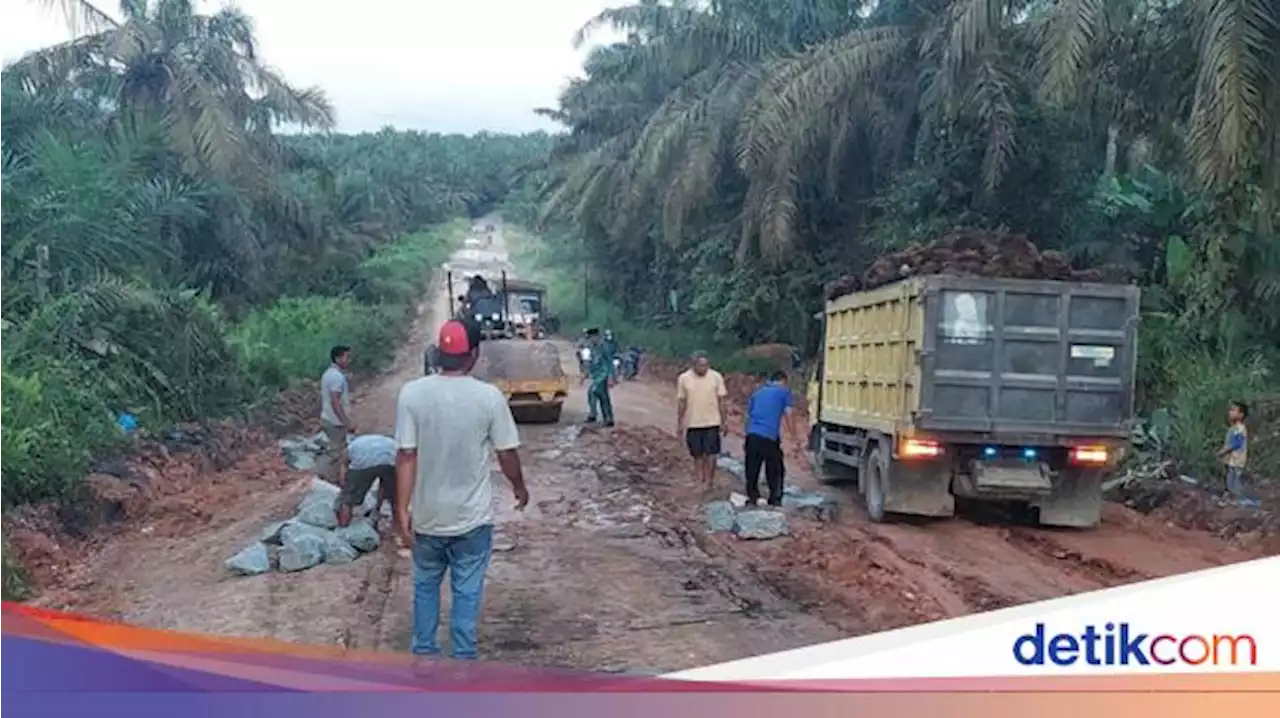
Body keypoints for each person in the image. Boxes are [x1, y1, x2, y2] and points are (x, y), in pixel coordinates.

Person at [394, 319, 529, 665]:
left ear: (438, 354)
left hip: (428, 518)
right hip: (472, 520)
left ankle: (424, 656)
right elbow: (506, 453)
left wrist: (402, 509)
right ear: (473, 355)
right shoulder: (488, 397)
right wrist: (519, 486)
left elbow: (406, 455)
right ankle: (463, 662)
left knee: (425, 587)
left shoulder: (412, 394)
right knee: (466, 592)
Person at [743, 371, 799, 506]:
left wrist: (747, 434)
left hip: (752, 435)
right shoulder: (783, 391)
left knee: (752, 469)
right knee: (775, 469)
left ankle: (752, 497)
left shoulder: (757, 392)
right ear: (783, 381)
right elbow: (789, 414)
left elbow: (748, 416)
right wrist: (793, 437)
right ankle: (775, 498)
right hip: (769, 436)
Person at [676, 351, 728, 492]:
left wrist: (724, 421)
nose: (703, 368)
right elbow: (681, 402)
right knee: (697, 454)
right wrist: (680, 424)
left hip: (712, 422)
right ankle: (699, 479)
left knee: (711, 453)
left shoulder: (716, 377)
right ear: (693, 365)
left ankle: (709, 481)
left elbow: (722, 401)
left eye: (705, 365)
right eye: (700, 366)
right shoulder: (684, 379)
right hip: (693, 422)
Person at [336, 433, 397, 530]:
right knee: (394, 497)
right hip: (389, 460)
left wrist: (344, 484)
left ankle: (343, 529)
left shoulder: (352, 446)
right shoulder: (390, 441)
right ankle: (395, 528)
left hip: (363, 462)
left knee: (348, 500)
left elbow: (343, 465)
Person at [318, 345, 355, 487]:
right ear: (338, 358)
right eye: (346, 357)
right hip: (335, 422)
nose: (348, 360)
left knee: (339, 450)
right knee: (337, 453)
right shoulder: (336, 377)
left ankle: (335, 480)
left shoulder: (329, 374)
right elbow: (336, 402)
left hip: (329, 418)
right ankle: (328, 480)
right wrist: (347, 422)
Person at [1218, 400, 1252, 502]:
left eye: (1233, 410)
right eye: (1230, 410)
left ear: (1241, 415)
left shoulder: (1239, 429)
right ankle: (1229, 496)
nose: (1230, 412)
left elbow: (1236, 444)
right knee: (1229, 477)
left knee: (1233, 480)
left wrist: (1223, 451)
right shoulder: (1234, 428)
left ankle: (1235, 499)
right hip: (1231, 460)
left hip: (1236, 460)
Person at [584, 329, 616, 427]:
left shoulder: (604, 346)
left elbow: (610, 362)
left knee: (594, 392)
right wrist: (587, 374)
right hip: (597, 375)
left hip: (603, 374)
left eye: (592, 337)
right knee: (602, 396)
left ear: (597, 336)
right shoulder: (593, 348)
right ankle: (607, 418)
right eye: (589, 338)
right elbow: (592, 363)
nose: (591, 340)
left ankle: (594, 415)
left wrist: (611, 377)